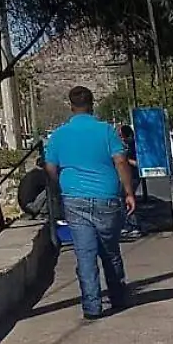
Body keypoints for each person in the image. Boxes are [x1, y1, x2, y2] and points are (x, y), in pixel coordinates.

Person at [44, 86, 136, 319]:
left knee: (85, 255)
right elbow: (121, 162)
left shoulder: (59, 135)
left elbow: (50, 167)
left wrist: (63, 184)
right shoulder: (106, 131)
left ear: (71, 106)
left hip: (74, 199)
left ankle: (92, 307)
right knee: (110, 251)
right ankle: (117, 297)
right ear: (92, 104)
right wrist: (128, 192)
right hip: (107, 197)